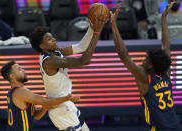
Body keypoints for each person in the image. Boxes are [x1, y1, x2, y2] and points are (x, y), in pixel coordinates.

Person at [111, 3, 182, 131]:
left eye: (146, 59)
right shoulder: (166, 72)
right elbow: (166, 46)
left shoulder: (145, 77)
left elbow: (123, 54)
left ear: (151, 66)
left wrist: (113, 25)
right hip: (176, 126)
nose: (143, 60)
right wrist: (163, 19)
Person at [29, 14, 108, 130]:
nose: (54, 39)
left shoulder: (55, 52)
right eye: (49, 39)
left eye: (52, 37)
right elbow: (84, 60)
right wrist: (96, 33)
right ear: (42, 46)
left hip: (66, 104)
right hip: (60, 108)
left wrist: (91, 28)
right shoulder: (50, 61)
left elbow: (81, 47)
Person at [1, 61, 80, 131]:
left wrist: (44, 108)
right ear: (12, 76)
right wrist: (67, 98)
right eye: (19, 69)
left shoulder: (14, 92)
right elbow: (44, 101)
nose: (23, 70)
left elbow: (35, 115)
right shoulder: (20, 93)